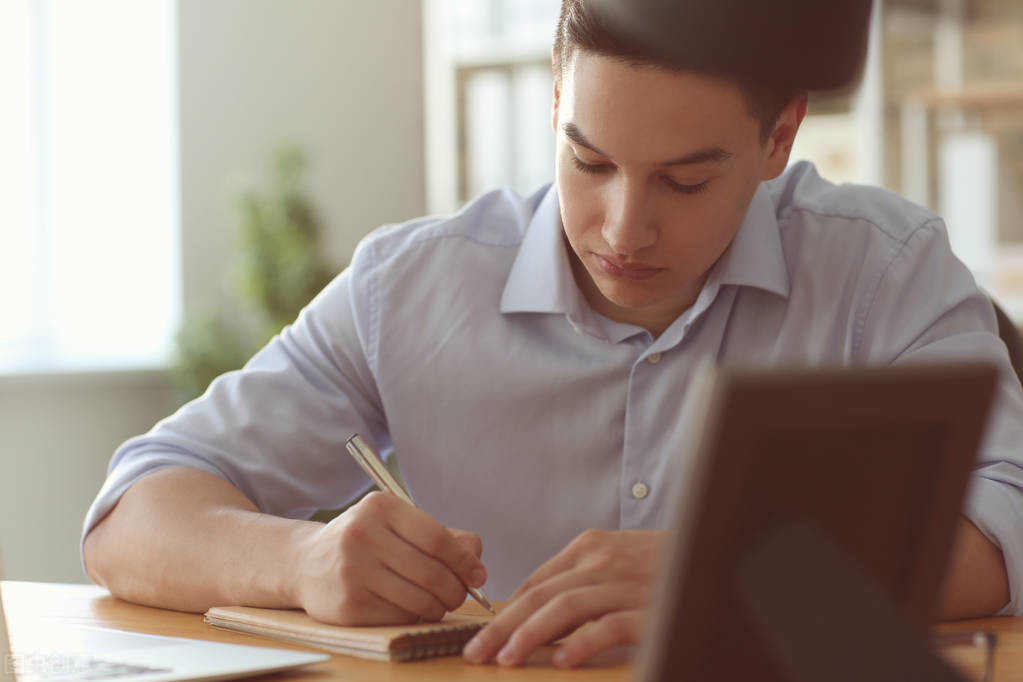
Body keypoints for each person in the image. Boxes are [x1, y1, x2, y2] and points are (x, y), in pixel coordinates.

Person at [82, 0, 1023, 669]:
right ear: (555, 98)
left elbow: (1005, 529)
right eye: (589, 160)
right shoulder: (411, 288)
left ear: (779, 138)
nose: (622, 229)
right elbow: (131, 517)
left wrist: (730, 569)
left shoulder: (883, 270)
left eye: (684, 182)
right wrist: (300, 561)